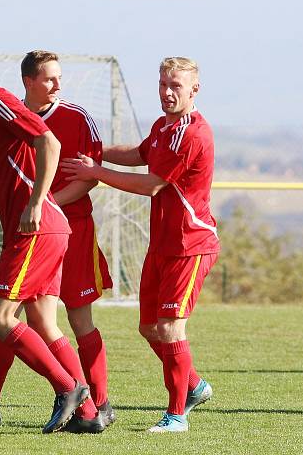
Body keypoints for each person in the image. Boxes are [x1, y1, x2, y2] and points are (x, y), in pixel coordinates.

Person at [0, 50, 114, 434]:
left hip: (38, 230)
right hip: (47, 229)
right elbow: (16, 170)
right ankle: (87, 413)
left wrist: (37, 202)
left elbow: (49, 144)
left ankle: (69, 390)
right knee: (41, 321)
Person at [61, 56, 219, 433]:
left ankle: (177, 415)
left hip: (190, 245)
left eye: (175, 85)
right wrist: (95, 151)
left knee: (170, 329)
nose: (167, 92)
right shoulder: (165, 127)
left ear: (194, 89)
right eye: (163, 84)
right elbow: (138, 155)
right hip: (162, 245)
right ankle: (193, 385)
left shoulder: (193, 133)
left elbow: (151, 185)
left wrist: (95, 172)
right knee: (149, 328)